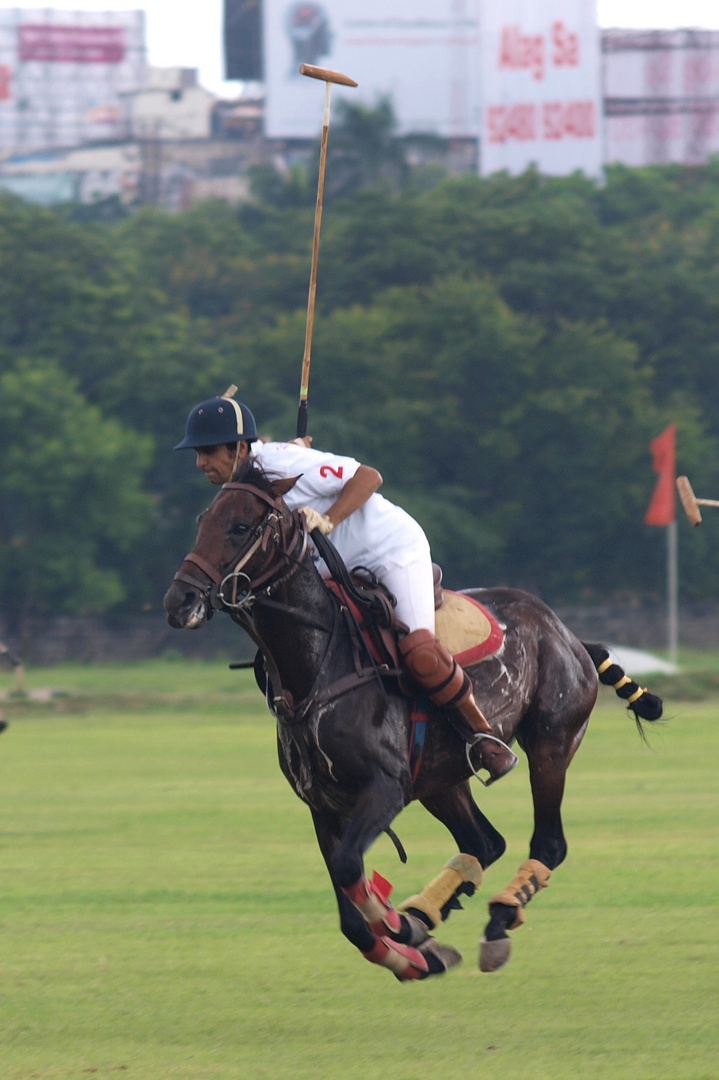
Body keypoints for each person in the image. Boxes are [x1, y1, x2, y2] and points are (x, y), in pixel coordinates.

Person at [175, 387, 517, 782]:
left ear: (237, 448)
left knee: (421, 651)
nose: (200, 462)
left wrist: (329, 517)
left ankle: (484, 738)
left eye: (207, 451)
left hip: (388, 551)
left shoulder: (286, 460)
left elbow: (368, 476)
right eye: (197, 454)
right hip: (333, 566)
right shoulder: (244, 485)